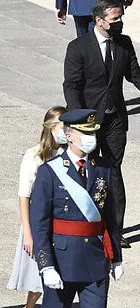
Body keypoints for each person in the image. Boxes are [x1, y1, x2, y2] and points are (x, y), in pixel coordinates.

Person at [30, 109, 127, 308]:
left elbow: (109, 215)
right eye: (84, 133)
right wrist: (46, 265)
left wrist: (117, 258)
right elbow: (40, 223)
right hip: (60, 260)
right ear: (68, 135)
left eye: (93, 133)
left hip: (95, 260)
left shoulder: (103, 170)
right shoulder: (50, 172)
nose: (90, 139)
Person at [63, 0, 140, 248]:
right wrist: (78, 121)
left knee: (114, 173)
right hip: (89, 122)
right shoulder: (78, 47)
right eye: (115, 19)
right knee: (87, 172)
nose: (120, 23)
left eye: (120, 18)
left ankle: (116, 231)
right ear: (99, 20)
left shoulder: (124, 44)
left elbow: (135, 76)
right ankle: (88, 225)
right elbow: (71, 85)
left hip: (115, 120)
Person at [8, 106, 76, 308]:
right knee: (39, 280)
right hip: (39, 224)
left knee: (62, 284)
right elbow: (24, 196)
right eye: (62, 127)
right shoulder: (35, 156)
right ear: (50, 128)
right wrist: (27, 231)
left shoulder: (70, 154)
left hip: (64, 225)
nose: (67, 132)